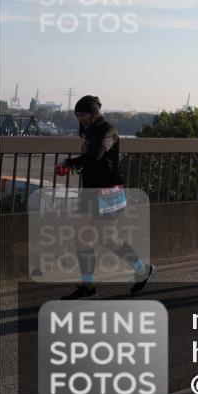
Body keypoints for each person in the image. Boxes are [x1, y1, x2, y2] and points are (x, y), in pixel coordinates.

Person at [58, 95, 155, 300]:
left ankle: (142, 269)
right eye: (77, 115)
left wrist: (69, 162)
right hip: (91, 190)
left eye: (83, 115)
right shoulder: (90, 133)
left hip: (109, 191)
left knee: (108, 238)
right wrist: (73, 167)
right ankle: (88, 285)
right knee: (81, 237)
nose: (79, 119)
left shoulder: (108, 132)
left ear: (93, 114)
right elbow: (91, 162)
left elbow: (96, 157)